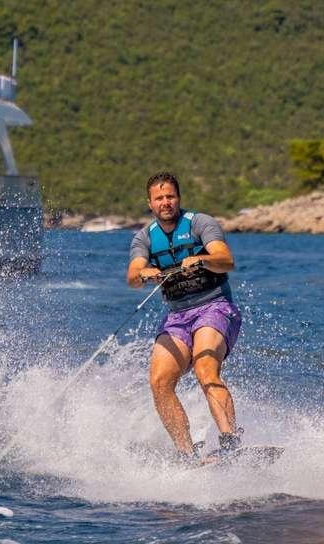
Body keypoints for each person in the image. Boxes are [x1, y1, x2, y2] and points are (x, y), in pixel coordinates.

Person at [125, 172, 242, 462]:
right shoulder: (144, 238)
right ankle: (187, 455)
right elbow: (132, 276)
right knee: (159, 381)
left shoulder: (200, 223)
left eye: (170, 196)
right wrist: (144, 273)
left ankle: (231, 443)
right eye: (159, 198)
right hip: (177, 316)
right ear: (150, 203)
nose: (165, 202)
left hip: (214, 307)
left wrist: (202, 259)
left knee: (205, 368)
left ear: (178, 198)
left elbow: (226, 260)